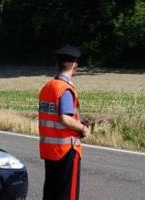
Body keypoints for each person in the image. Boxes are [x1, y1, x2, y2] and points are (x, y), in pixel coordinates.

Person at [39, 45, 90, 200]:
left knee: (51, 192)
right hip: (67, 149)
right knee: (68, 194)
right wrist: (83, 128)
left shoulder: (48, 87)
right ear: (75, 65)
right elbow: (65, 118)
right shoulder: (65, 89)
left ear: (57, 64)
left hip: (50, 150)